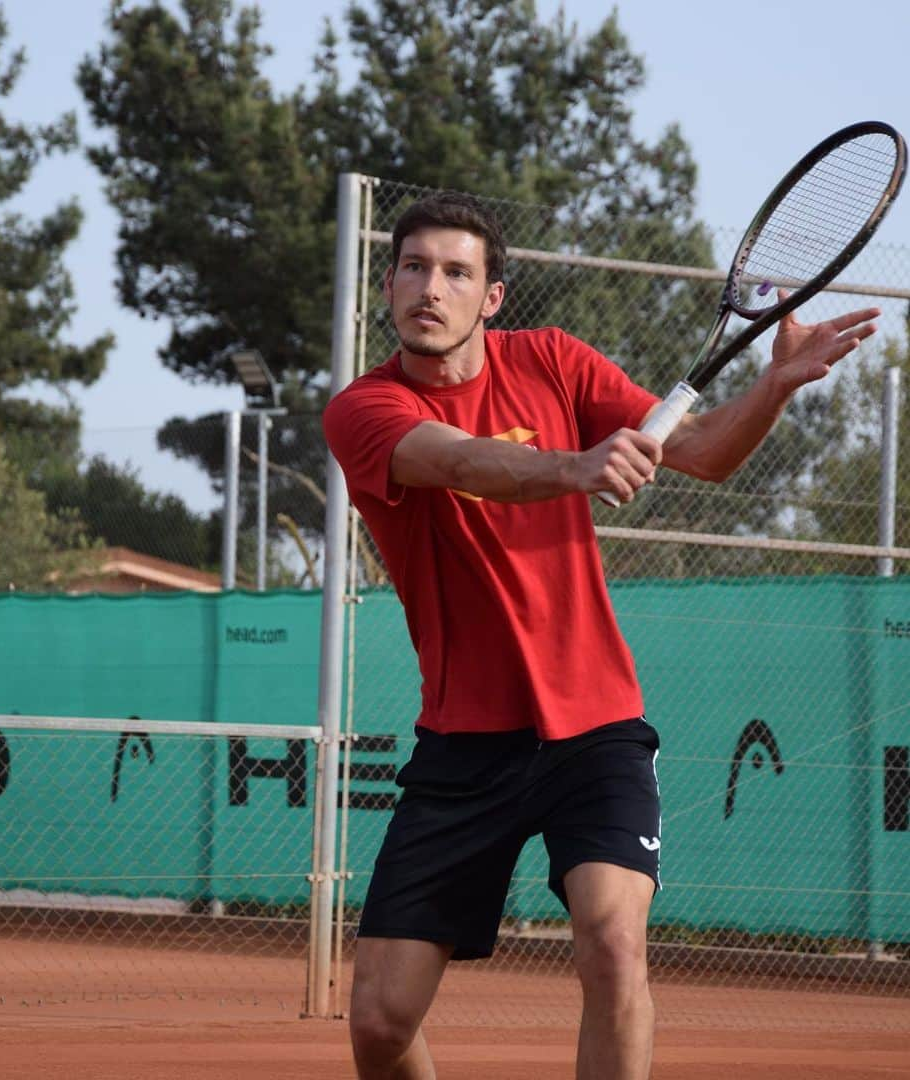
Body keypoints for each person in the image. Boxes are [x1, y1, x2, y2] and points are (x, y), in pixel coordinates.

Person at [321, 190, 879, 1080]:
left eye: (457, 272)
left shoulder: (551, 360)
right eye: (415, 269)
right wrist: (576, 466)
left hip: (597, 730)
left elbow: (700, 451)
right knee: (382, 1026)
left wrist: (773, 386)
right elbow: (464, 462)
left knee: (613, 943)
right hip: (463, 748)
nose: (432, 288)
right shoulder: (361, 411)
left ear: (492, 297)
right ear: (387, 285)